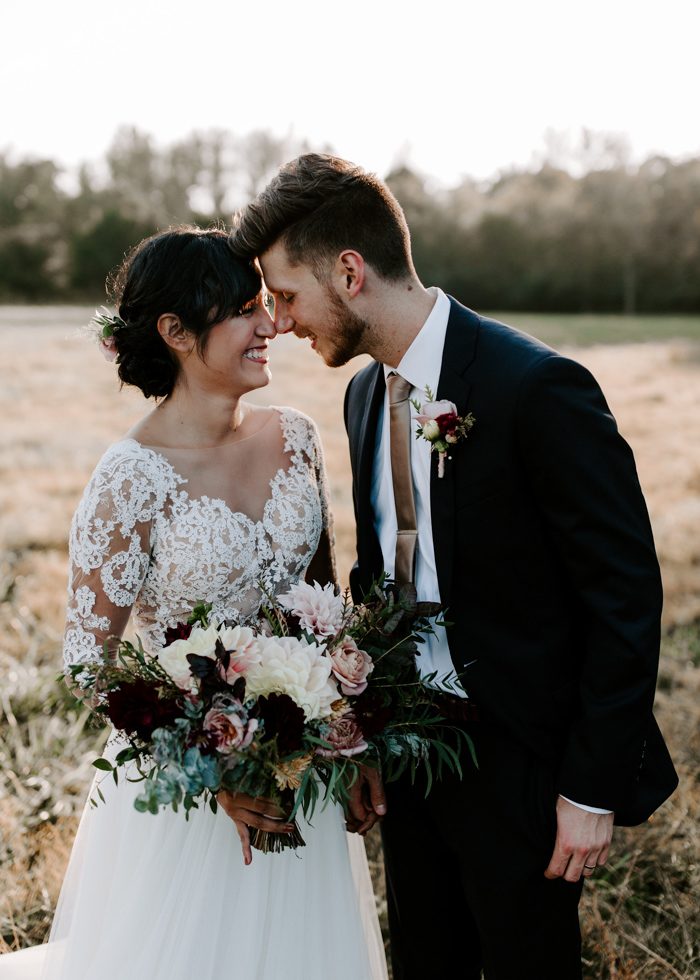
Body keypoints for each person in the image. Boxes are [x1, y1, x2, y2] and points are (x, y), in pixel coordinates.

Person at [230, 155, 679, 980]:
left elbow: (624, 596)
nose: (283, 323)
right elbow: (379, 578)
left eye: (287, 296)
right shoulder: (365, 397)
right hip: (409, 759)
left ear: (351, 272)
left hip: (522, 762)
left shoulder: (537, 387)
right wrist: (362, 739)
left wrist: (590, 790)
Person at [0, 227, 387, 980]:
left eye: (266, 306)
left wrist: (351, 738)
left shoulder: (298, 438)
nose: (271, 325)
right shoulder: (129, 480)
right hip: (192, 799)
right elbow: (89, 668)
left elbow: (324, 608)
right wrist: (214, 772)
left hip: (301, 775)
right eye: (245, 310)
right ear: (176, 333)